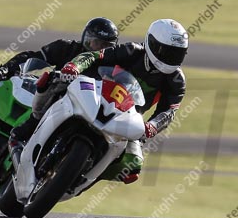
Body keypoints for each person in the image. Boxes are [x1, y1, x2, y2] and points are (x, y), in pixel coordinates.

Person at [50, 18, 189, 184]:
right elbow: (96, 56)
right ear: (152, 43)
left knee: (132, 166)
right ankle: (30, 127)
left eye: (178, 54)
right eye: (167, 52)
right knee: (56, 91)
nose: (172, 58)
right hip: (100, 97)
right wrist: (74, 67)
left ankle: (85, 180)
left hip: (129, 118)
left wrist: (152, 126)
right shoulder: (132, 51)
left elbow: (169, 111)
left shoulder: (176, 80)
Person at [0, 17, 119, 147]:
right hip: (54, 102)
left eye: (105, 46)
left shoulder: (112, 67)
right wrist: (5, 69)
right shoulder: (67, 48)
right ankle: (29, 125)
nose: (99, 49)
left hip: (86, 112)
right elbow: (33, 56)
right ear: (86, 39)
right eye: (96, 43)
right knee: (50, 87)